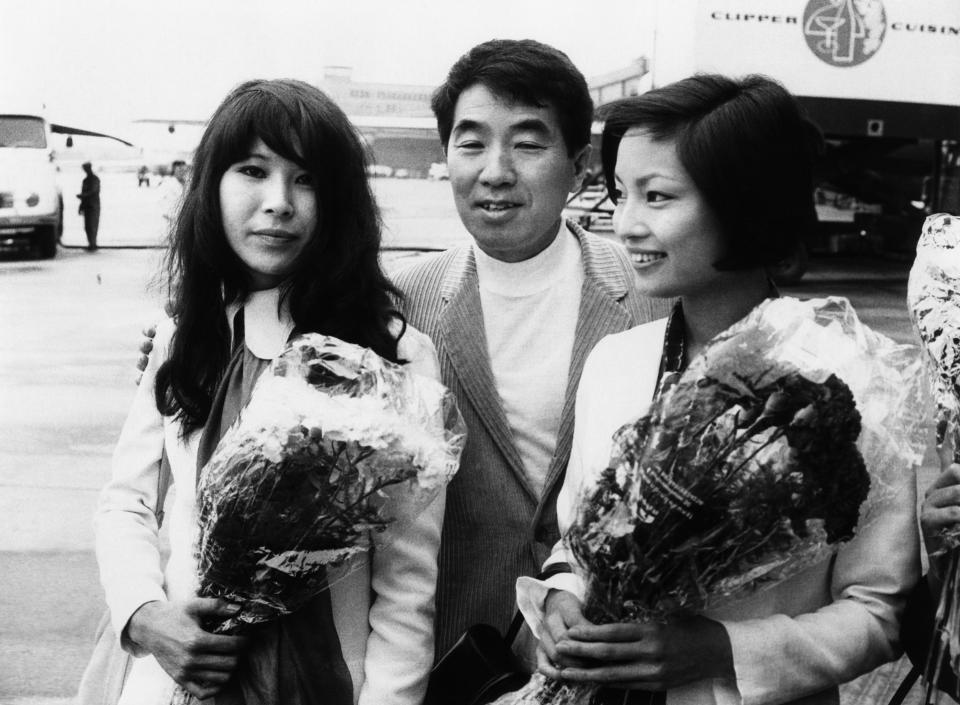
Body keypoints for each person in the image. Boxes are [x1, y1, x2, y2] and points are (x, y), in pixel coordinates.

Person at [517, 74, 919, 704]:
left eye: (657, 197)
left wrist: (723, 650)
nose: (626, 224)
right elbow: (579, 535)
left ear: (743, 203)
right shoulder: (616, 362)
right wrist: (565, 593)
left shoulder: (853, 386)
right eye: (620, 193)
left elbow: (877, 612)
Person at [95, 79, 443, 705]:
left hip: (332, 681)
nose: (279, 202)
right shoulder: (185, 336)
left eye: (306, 179)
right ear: (212, 186)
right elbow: (128, 501)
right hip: (177, 678)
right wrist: (146, 613)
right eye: (253, 170)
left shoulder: (392, 354)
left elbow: (406, 584)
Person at [392, 38, 669, 660]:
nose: (496, 170)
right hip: (454, 651)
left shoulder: (657, 295)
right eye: (471, 143)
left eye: (527, 142)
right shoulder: (396, 304)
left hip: (609, 653)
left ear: (577, 167)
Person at [77, 161, 101, 250]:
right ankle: (91, 244)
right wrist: (81, 205)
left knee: (93, 226)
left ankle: (93, 244)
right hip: (87, 205)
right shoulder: (86, 180)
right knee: (87, 226)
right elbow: (85, 193)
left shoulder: (95, 179)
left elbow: (93, 191)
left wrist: (83, 196)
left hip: (93, 206)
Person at [159, 159, 188, 231]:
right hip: (171, 219)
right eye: (179, 169)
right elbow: (161, 200)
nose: (182, 172)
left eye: (184, 170)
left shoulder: (188, 183)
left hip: (186, 219)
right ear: (174, 170)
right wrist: (168, 216)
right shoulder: (168, 183)